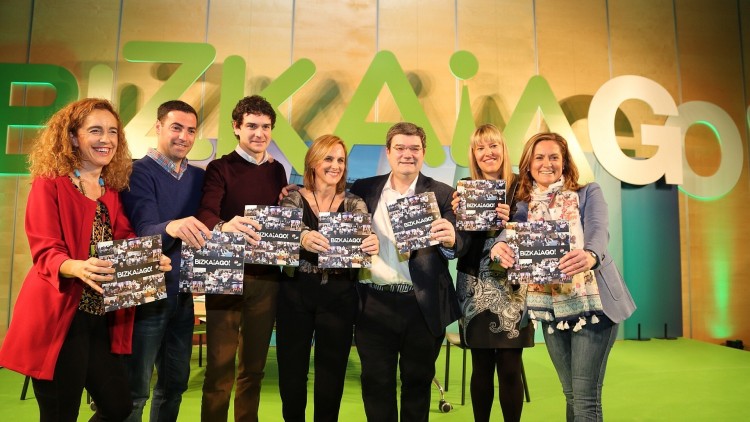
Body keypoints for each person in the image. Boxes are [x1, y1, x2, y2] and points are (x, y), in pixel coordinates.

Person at [0, 98, 171, 421]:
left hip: (99, 317)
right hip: (59, 317)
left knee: (118, 407)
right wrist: (76, 266)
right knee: (60, 413)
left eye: (112, 132)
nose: (106, 139)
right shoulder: (50, 183)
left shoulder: (111, 189)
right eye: (95, 131)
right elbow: (45, 250)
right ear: (73, 137)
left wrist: (150, 259)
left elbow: (124, 236)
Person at [491, 132, 636, 421]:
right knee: (571, 394)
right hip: (550, 308)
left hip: (593, 305)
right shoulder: (524, 204)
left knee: (585, 399)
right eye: (539, 157)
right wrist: (498, 245)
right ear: (528, 164)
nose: (547, 163)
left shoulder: (588, 192)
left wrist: (591, 255)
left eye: (554, 157)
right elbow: (510, 231)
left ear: (565, 162)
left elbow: (598, 229)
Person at [349, 122, 467, 422]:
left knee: (417, 384)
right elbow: (330, 201)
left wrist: (451, 240)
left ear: (423, 153)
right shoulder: (363, 189)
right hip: (373, 303)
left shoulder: (443, 193)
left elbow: (459, 242)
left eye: (415, 148)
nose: (407, 154)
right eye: (400, 148)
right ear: (388, 152)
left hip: (422, 306)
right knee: (376, 384)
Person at [196, 95, 288, 421]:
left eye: (265, 126)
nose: (259, 133)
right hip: (225, 273)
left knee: (254, 367)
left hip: (266, 278)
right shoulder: (220, 168)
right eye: (251, 126)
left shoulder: (278, 171)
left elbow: (280, 221)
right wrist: (224, 225)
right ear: (236, 127)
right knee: (219, 368)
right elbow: (206, 212)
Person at [277, 134, 379, 421]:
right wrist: (302, 236)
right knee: (291, 371)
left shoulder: (355, 202)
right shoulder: (292, 199)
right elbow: (283, 230)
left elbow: (364, 237)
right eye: (329, 158)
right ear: (313, 162)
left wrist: (371, 241)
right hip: (295, 293)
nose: (336, 165)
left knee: (331, 373)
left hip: (339, 295)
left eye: (341, 160)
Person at [121, 100, 211, 421]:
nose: (184, 137)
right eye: (176, 127)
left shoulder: (199, 178)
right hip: (148, 294)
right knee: (136, 391)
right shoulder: (136, 172)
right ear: (158, 127)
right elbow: (145, 231)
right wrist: (172, 226)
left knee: (174, 385)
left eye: (191, 130)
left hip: (183, 296)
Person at [453, 124, 533, 422]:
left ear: (503, 148)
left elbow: (529, 229)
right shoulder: (464, 187)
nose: (488, 153)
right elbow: (458, 242)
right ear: (474, 154)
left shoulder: (522, 186)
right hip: (473, 282)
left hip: (513, 285)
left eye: (493, 145)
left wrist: (509, 222)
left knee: (511, 366)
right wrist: (459, 218)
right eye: (480, 148)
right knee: (481, 365)